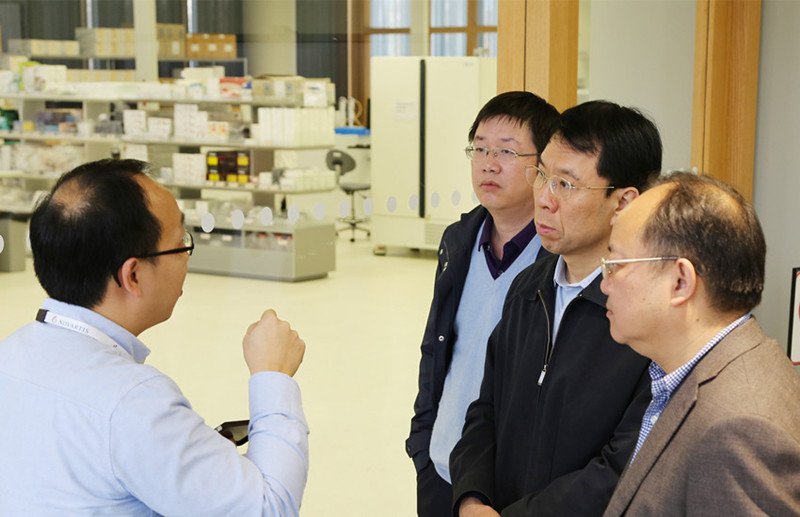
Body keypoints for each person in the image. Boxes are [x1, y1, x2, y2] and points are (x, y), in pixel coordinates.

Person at [0, 159, 309, 515]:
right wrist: (272, 375)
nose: (186, 260)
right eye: (180, 244)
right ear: (132, 275)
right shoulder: (132, 401)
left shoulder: (10, 354)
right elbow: (268, 508)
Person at [450, 100, 662, 516]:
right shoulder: (529, 287)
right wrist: (472, 497)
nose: (544, 199)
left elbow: (622, 467)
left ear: (623, 202)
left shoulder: (647, 320)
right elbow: (485, 409)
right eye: (543, 176)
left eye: (565, 184)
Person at [601, 172, 800, 515]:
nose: (604, 284)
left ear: (681, 281)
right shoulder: (708, 370)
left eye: (615, 265)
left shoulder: (738, 428)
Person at [406, 91, 560, 515]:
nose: (488, 164)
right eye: (479, 148)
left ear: (543, 165)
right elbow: (436, 347)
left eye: (507, 151)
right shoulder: (459, 240)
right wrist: (422, 443)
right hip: (440, 463)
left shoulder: (557, 259)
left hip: (508, 481)